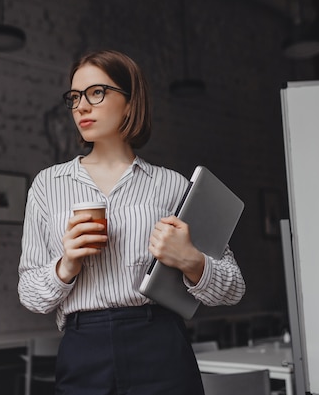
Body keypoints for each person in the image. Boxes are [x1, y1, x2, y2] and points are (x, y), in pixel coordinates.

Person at [18, 49, 245, 395]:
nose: (81, 106)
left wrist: (191, 261)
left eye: (96, 92)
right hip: (83, 348)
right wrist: (65, 266)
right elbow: (30, 295)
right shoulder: (48, 185)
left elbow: (233, 287)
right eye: (75, 96)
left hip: (160, 344)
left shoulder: (171, 185)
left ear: (130, 101)